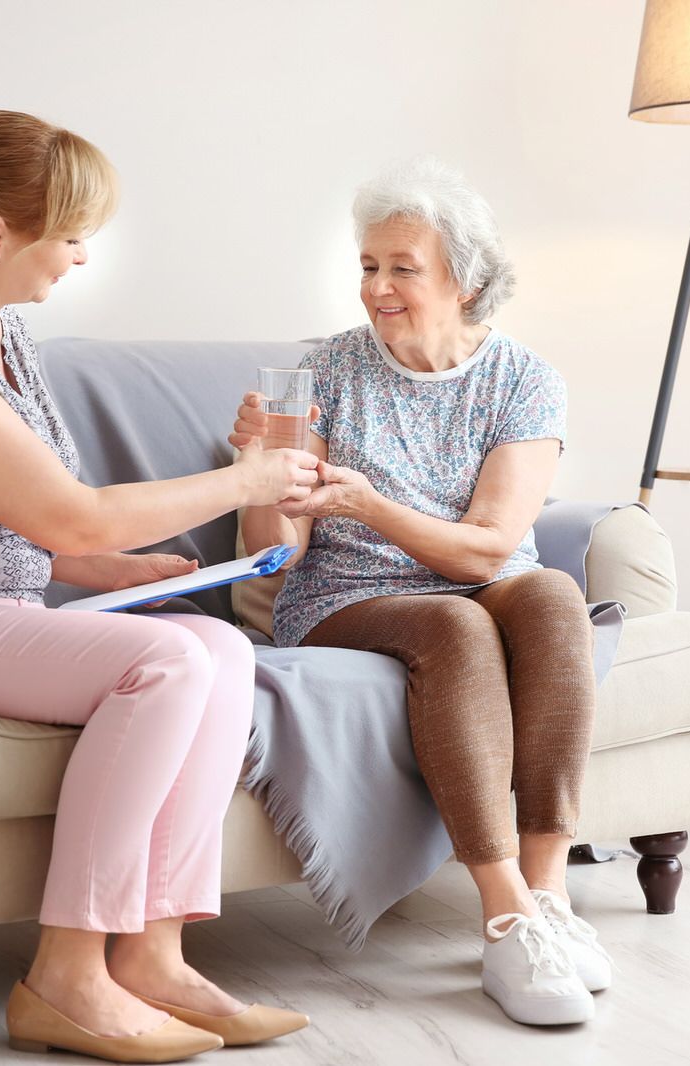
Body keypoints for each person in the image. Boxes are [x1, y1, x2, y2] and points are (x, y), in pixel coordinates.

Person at [0, 110, 311, 1063]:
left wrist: (111, 571)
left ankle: (152, 956)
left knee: (220, 646)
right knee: (162, 664)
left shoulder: (1, 335)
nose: (79, 258)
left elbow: (26, 521)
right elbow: (67, 513)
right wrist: (249, 481)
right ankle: (67, 978)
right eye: (73, 236)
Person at [233, 158, 609, 1027]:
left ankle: (549, 900)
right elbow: (280, 556)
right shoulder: (323, 373)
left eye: (403, 267)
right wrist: (255, 482)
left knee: (551, 593)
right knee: (456, 628)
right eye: (369, 266)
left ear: (465, 280)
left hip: (475, 579)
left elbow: (488, 551)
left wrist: (367, 498)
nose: (378, 286)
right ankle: (505, 913)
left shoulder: (523, 380)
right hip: (345, 596)